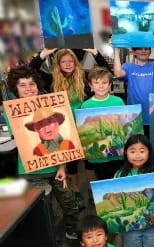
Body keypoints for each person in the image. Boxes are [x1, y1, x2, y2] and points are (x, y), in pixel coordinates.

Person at [6, 65, 79, 247]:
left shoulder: (50, 105)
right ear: (16, 89)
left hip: (56, 169)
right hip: (31, 173)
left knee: (69, 203)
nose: (28, 88)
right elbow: (22, 139)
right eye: (22, 85)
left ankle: (72, 230)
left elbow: (63, 139)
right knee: (47, 212)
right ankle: (55, 240)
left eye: (31, 84)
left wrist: (62, 167)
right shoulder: (10, 111)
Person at [30, 48, 111, 199]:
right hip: (64, 127)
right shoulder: (51, 79)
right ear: (58, 64)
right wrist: (44, 54)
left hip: (85, 124)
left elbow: (105, 70)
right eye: (63, 61)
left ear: (75, 62)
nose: (67, 64)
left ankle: (93, 192)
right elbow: (31, 70)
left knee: (90, 160)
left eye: (70, 60)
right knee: (71, 163)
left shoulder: (84, 76)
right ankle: (76, 192)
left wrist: (95, 52)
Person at [114, 134, 154, 247]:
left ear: (149, 153)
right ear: (126, 153)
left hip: (152, 224)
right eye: (132, 151)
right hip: (131, 226)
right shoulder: (120, 174)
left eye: (142, 151)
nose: (137, 155)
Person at [80, 67, 125, 181]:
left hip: (118, 153)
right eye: (96, 83)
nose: (101, 86)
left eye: (104, 82)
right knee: (102, 179)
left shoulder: (118, 101)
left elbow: (123, 124)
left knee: (118, 180)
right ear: (90, 86)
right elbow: (83, 130)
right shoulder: (86, 105)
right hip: (98, 157)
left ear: (110, 85)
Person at [113, 47, 154, 136]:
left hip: (153, 115)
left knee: (152, 146)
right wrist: (116, 52)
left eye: (146, 49)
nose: (144, 51)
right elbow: (118, 74)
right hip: (135, 116)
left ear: (150, 51)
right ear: (134, 52)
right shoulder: (128, 66)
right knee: (137, 145)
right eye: (140, 49)